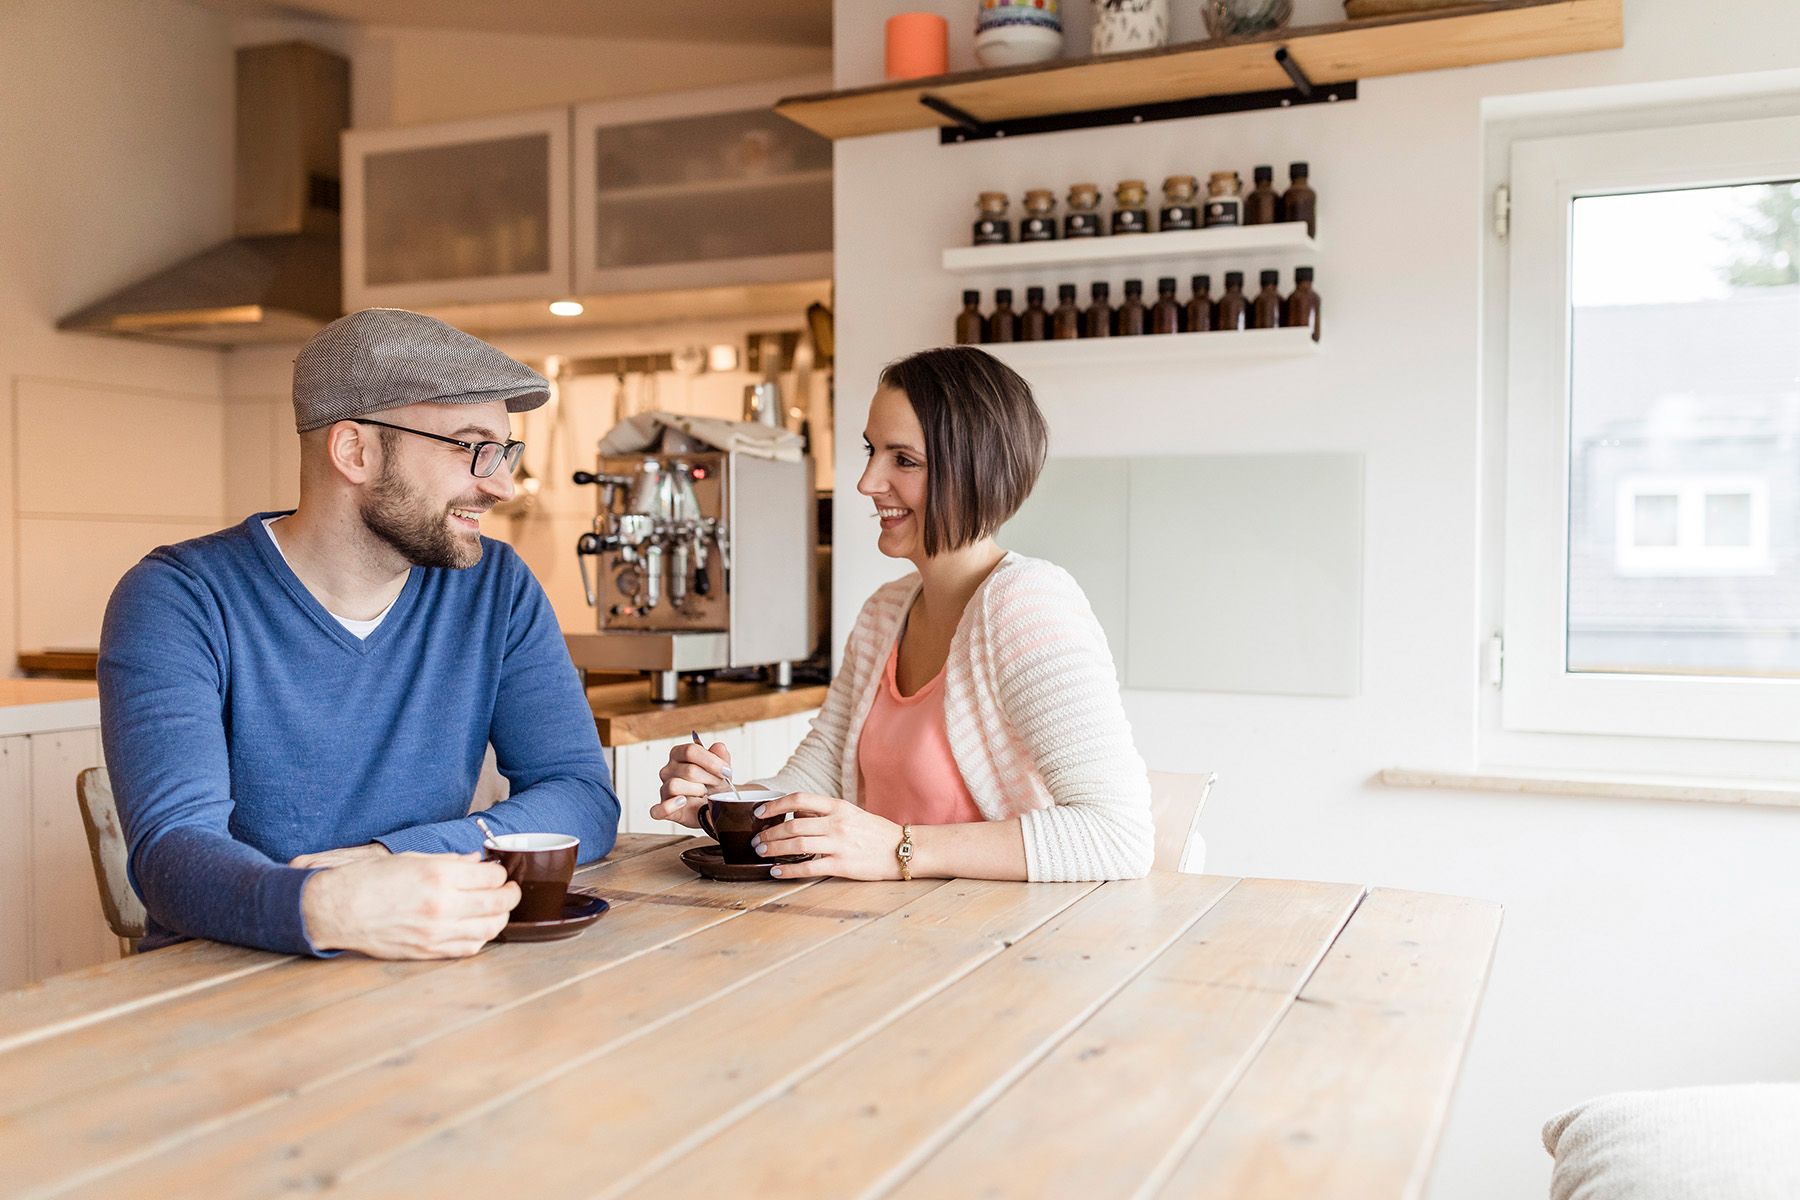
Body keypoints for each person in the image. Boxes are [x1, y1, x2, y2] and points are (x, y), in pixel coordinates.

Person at [99, 308, 619, 960]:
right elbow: (171, 855)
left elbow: (582, 798)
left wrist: (391, 858)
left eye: (506, 452)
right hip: (224, 981)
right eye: (473, 448)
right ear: (355, 451)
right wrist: (333, 907)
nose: (502, 485)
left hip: (428, 968)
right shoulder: (180, 597)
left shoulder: (496, 589)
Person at [653, 345, 1159, 882]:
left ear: (974, 472)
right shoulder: (886, 611)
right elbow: (819, 773)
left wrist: (901, 848)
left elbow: (1118, 834)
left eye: (904, 460)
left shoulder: (1026, 604)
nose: (867, 482)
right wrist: (723, 803)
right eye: (872, 451)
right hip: (890, 933)